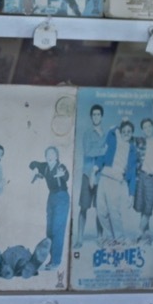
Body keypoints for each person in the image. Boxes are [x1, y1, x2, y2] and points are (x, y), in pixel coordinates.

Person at [95, 120, 135, 246]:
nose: (126, 133)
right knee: (101, 211)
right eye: (124, 131)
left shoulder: (132, 149)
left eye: (129, 131)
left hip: (116, 181)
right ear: (120, 132)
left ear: (132, 134)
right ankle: (110, 238)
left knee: (114, 212)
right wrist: (95, 170)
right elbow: (103, 152)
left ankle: (120, 239)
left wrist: (131, 194)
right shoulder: (114, 141)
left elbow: (133, 173)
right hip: (103, 177)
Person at [28, 146, 70, 268]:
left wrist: (62, 174)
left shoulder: (61, 167)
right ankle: (51, 259)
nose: (49, 156)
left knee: (57, 229)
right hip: (51, 197)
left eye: (52, 154)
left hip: (62, 197)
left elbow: (66, 176)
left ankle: (55, 261)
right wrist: (35, 170)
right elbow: (32, 163)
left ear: (56, 156)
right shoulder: (44, 166)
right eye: (47, 154)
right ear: (45, 157)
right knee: (50, 230)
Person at [76, 104, 105, 247]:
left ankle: (100, 238)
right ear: (91, 117)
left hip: (101, 176)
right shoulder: (87, 133)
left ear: (102, 116)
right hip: (87, 175)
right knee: (83, 207)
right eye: (94, 115)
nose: (96, 117)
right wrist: (103, 150)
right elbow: (88, 152)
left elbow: (109, 156)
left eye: (98, 114)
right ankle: (79, 239)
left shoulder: (106, 134)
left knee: (100, 209)